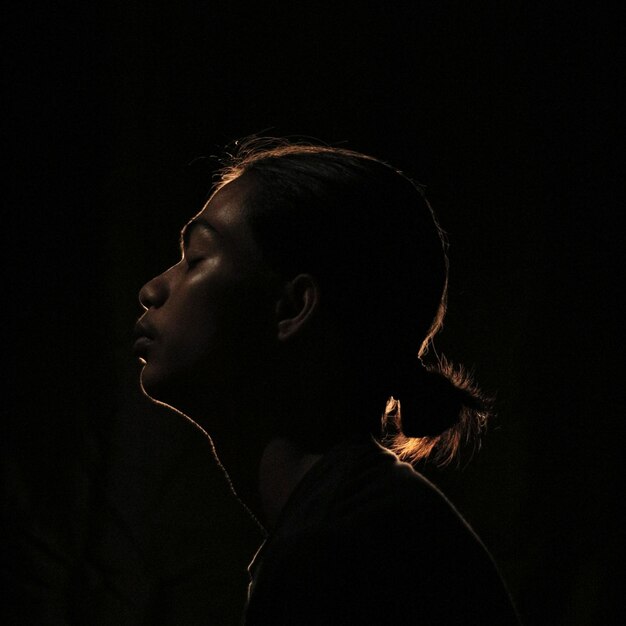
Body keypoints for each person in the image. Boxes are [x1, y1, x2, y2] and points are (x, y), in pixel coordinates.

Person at [134, 139, 521, 624]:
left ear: (293, 307)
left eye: (197, 258)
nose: (152, 290)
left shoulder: (350, 557)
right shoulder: (360, 524)